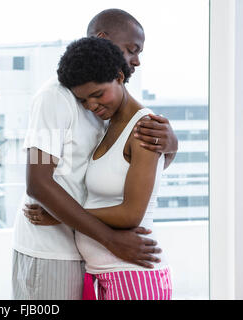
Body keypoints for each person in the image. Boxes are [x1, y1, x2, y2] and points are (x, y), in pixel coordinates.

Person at [12, 9, 178, 300]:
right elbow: (37, 181)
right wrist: (110, 239)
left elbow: (131, 170)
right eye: (131, 49)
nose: (136, 60)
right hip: (51, 250)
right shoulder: (56, 97)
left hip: (92, 257)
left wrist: (171, 144)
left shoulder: (111, 105)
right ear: (104, 39)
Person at [58, 36, 172, 300]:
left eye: (98, 95)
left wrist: (63, 214)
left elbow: (131, 214)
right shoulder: (106, 127)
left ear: (120, 76)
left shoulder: (145, 128)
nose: (92, 106)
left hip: (133, 275)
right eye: (84, 101)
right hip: (101, 273)